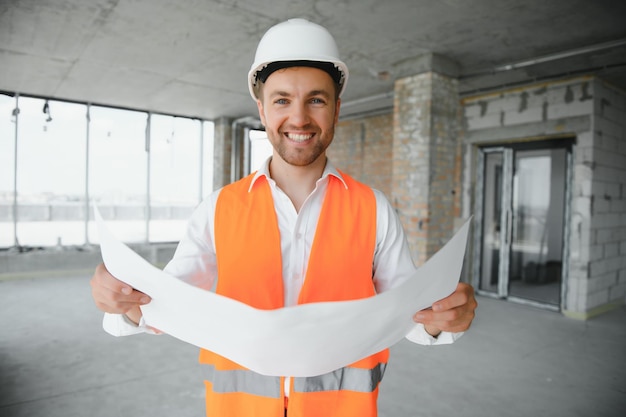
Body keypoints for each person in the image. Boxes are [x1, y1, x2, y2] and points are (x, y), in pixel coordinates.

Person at [90, 18, 477, 417]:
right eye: (281, 100)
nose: (299, 118)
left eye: (316, 99)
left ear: (336, 108)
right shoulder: (218, 208)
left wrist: (444, 317)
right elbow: (166, 304)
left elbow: (410, 317)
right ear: (261, 108)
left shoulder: (373, 209)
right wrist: (122, 301)